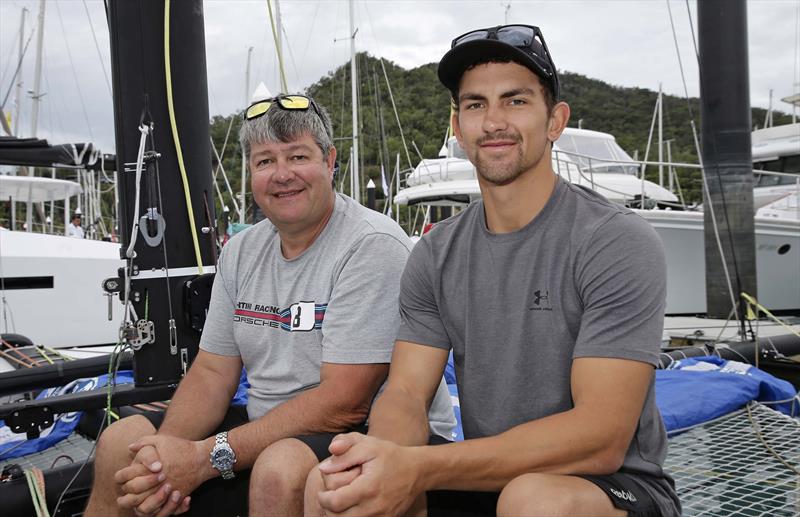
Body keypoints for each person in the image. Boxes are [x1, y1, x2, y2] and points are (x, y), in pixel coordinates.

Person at [309, 24, 681, 517]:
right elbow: (404, 393)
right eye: (476, 105)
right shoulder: (435, 253)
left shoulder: (615, 241)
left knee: (533, 502)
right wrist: (386, 459)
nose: (494, 121)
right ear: (458, 127)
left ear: (555, 121)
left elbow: (601, 438)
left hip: (609, 485)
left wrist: (418, 469)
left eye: (516, 101)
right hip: (494, 476)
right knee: (332, 487)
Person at [84, 94, 454, 517]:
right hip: (270, 425)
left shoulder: (371, 246)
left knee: (279, 467)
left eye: (297, 156)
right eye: (264, 162)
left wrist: (203, 459)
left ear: (330, 161)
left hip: (373, 432)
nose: (282, 175)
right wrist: (166, 460)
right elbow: (210, 373)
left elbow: (343, 402)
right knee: (122, 442)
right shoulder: (241, 250)